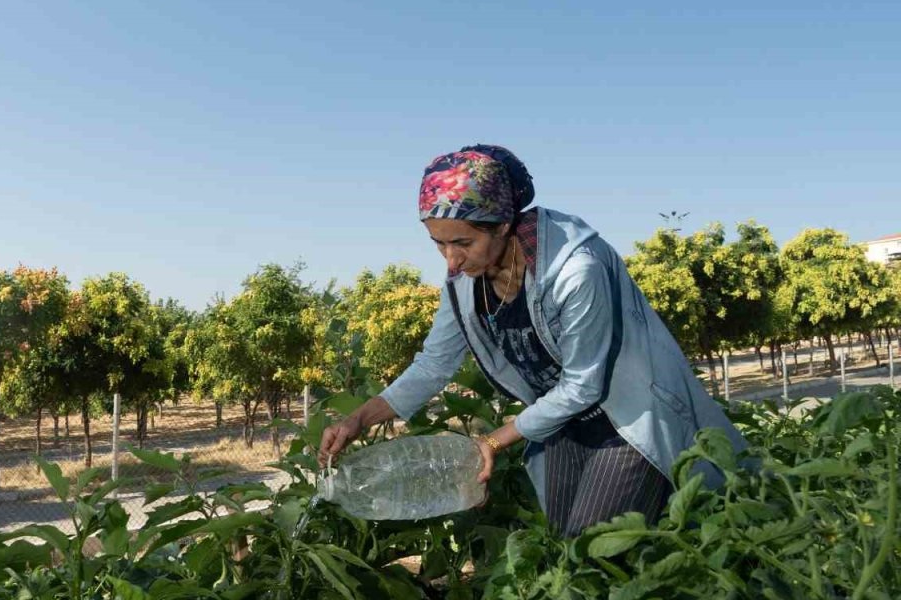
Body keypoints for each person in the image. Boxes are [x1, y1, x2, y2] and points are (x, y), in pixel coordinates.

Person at [318, 144, 746, 537]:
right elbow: (434, 364)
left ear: (503, 225)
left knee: (592, 547)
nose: (451, 259)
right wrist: (360, 419)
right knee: (563, 544)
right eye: (439, 244)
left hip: (629, 419)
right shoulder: (463, 282)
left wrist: (490, 441)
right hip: (559, 423)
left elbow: (583, 385)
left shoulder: (577, 270)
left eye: (463, 242)